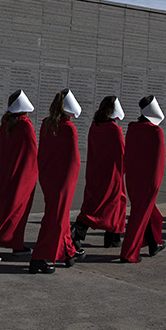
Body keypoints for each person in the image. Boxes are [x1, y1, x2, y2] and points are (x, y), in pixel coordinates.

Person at [0, 90, 39, 262]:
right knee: (16, 209)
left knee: (1, 207)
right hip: (22, 174)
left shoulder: (7, 122)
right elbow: (32, 152)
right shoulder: (25, 125)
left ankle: (14, 243)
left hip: (4, 172)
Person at [30, 89, 84, 274]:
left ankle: (68, 252)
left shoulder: (46, 124)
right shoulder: (69, 128)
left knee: (58, 215)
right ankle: (40, 257)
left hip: (48, 176)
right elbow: (74, 160)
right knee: (56, 218)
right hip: (63, 180)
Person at [72, 96, 126, 249]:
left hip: (96, 170)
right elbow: (121, 153)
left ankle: (80, 231)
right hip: (112, 173)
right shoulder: (114, 129)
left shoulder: (95, 126)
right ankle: (110, 237)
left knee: (93, 202)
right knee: (115, 204)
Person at [120, 96, 166, 263]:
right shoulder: (156, 132)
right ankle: (129, 253)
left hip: (134, 179)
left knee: (153, 216)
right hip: (148, 181)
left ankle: (154, 243)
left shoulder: (132, 128)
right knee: (139, 216)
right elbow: (158, 161)